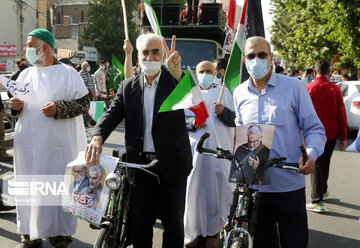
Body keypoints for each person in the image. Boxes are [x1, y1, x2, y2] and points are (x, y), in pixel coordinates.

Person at [85, 33, 192, 248]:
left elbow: (196, 107)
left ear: (163, 56)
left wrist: (178, 74)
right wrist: (97, 138)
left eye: (156, 52)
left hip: (172, 166)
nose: (150, 57)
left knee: (173, 228)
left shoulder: (178, 82)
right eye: (145, 52)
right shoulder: (128, 87)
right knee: (140, 228)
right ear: (138, 57)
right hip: (140, 168)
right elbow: (110, 115)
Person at [233, 36, 326, 248]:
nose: (256, 59)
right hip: (255, 189)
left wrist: (311, 155)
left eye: (261, 55)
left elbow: (315, 129)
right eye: (251, 56)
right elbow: (241, 136)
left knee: (295, 243)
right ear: (245, 61)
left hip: (288, 186)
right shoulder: (239, 93)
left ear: (271, 58)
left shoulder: (294, 87)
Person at [9, 28, 89, 248]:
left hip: (58, 145)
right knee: (28, 184)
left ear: (45, 47)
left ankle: (59, 233)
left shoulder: (68, 73)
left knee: (57, 186)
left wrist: (59, 108)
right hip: (28, 144)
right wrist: (14, 106)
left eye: (31, 46)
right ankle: (29, 233)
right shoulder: (25, 74)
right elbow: (17, 104)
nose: (27, 50)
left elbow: (84, 104)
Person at [184, 60, 234, 248]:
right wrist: (193, 123)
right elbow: (179, 122)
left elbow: (236, 121)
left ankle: (213, 234)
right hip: (194, 155)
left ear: (215, 73)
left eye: (209, 71)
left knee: (216, 194)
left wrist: (224, 112)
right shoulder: (189, 94)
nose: (205, 74)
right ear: (196, 74)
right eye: (202, 71)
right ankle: (193, 234)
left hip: (218, 155)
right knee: (193, 194)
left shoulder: (224, 93)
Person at [306, 59, 347, 213]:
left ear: (314, 72)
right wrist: (343, 137)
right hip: (331, 133)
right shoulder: (334, 89)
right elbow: (341, 115)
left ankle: (317, 200)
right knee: (325, 162)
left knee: (316, 164)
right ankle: (322, 190)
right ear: (329, 72)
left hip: (311, 134)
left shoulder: (308, 89)